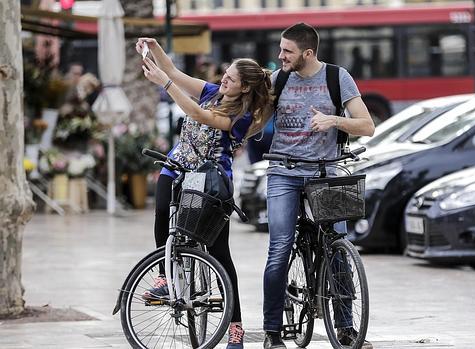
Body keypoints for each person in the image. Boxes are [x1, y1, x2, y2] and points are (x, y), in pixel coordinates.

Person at [136, 37, 273, 349]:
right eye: (224, 74)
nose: (223, 79)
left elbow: (200, 115)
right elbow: (173, 71)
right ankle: (164, 279)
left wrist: (165, 84)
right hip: (177, 166)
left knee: (220, 253)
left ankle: (235, 327)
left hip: (210, 179)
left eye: (231, 78)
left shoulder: (243, 118)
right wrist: (156, 49)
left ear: (245, 88)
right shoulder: (212, 91)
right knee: (161, 215)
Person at [262, 22, 375, 349]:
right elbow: (256, 116)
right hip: (283, 172)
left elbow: (367, 125)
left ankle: (345, 328)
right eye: (281, 49)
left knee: (338, 246)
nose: (280, 56)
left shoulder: (336, 77)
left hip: (325, 171)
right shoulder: (278, 78)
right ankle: (272, 332)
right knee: (279, 248)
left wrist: (334, 120)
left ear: (308, 53)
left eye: (287, 51)